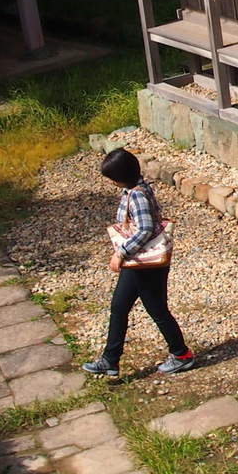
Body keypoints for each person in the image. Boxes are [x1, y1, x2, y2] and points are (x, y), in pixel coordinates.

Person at [82, 148, 195, 378]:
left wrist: (120, 253)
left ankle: (182, 355)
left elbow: (145, 229)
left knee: (156, 309)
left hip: (145, 263)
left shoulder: (137, 195)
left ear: (120, 177)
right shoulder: (136, 188)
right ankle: (110, 360)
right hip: (138, 262)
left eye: (112, 178)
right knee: (120, 306)